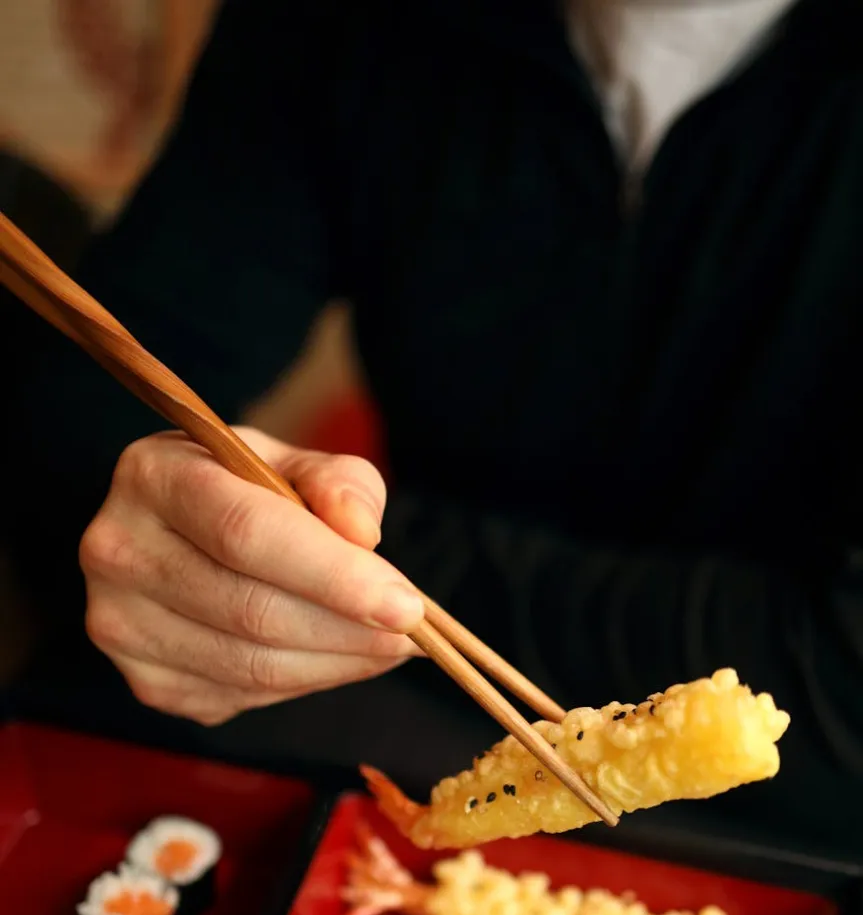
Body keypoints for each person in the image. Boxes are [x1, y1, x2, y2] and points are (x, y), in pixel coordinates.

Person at [5, 0, 862, 853]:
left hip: (793, 823)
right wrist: (185, 541)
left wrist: (377, 567)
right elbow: (98, 395)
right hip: (378, 715)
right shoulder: (339, 26)